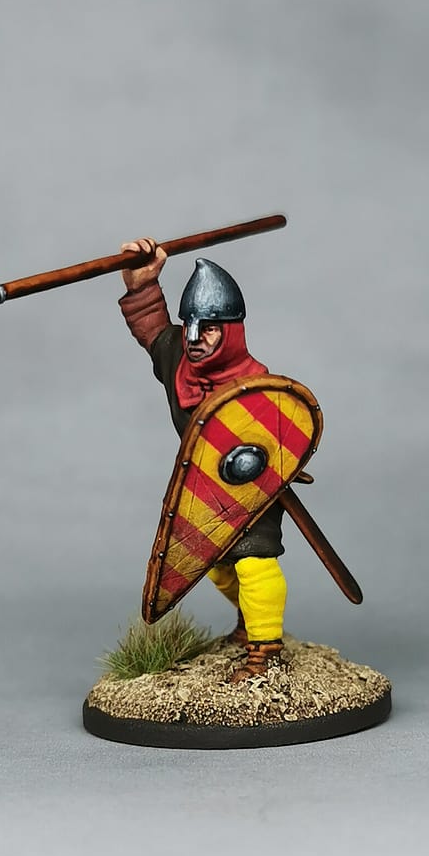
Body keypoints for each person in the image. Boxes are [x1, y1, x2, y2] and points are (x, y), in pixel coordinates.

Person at [118, 236, 287, 681]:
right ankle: (250, 619)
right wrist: (142, 286)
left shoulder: (258, 385)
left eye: (208, 328)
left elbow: (283, 439)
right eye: (190, 324)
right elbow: (153, 329)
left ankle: (265, 649)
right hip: (206, 485)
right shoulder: (179, 359)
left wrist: (276, 469)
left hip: (254, 488)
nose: (194, 337)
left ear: (230, 330)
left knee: (253, 560)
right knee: (212, 564)